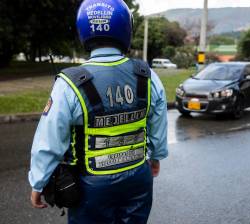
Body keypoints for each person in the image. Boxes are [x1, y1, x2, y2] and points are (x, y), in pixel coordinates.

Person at [28, 0, 168, 223]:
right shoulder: (148, 75)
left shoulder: (70, 83)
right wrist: (157, 156)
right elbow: (158, 122)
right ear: (126, 29)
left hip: (91, 186)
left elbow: (50, 138)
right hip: (138, 179)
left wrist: (38, 181)